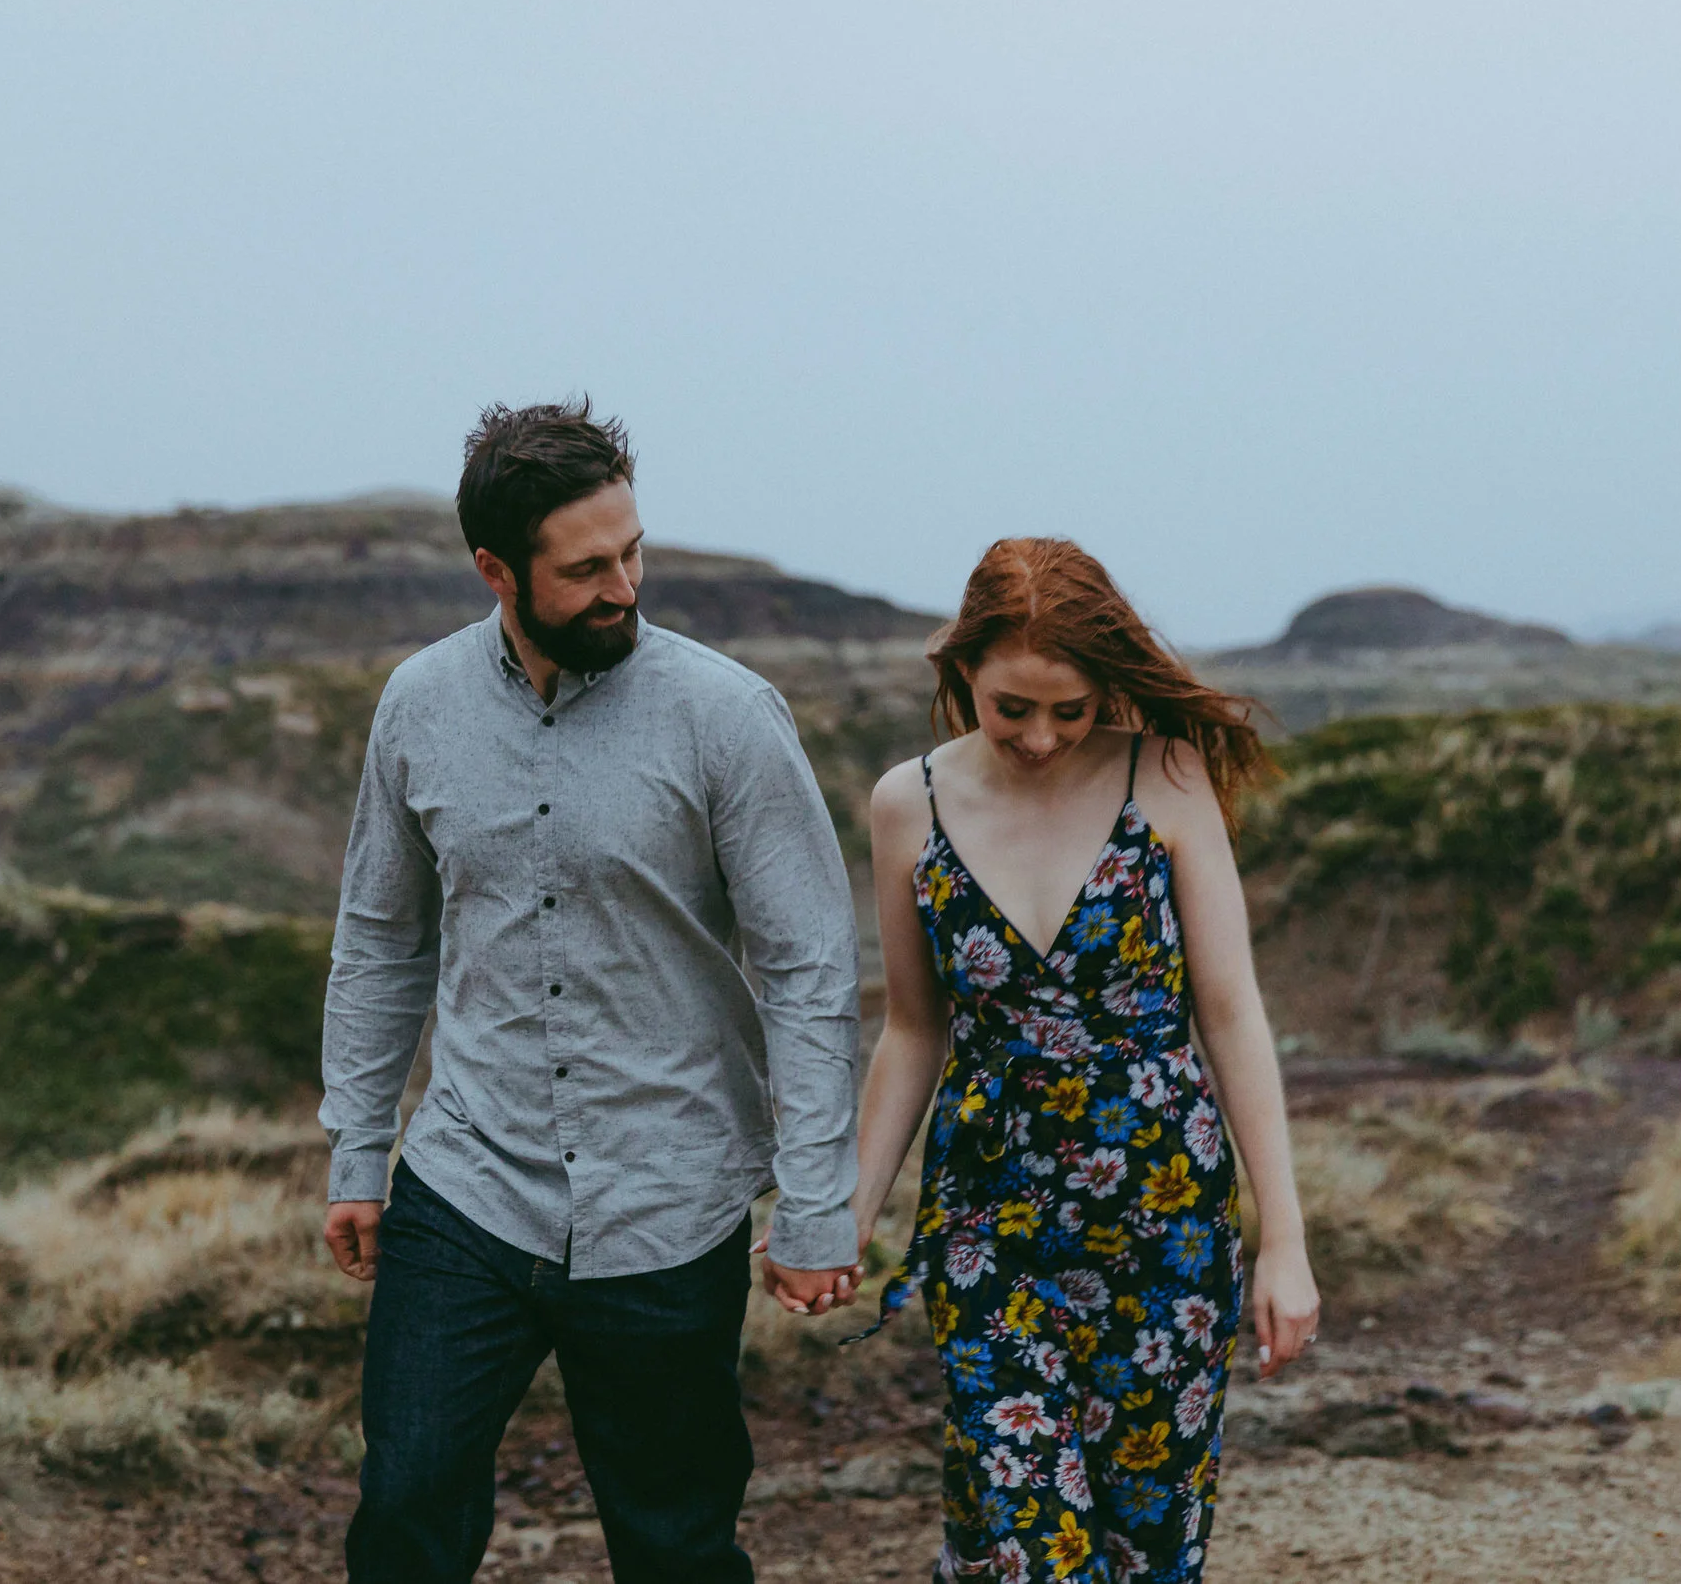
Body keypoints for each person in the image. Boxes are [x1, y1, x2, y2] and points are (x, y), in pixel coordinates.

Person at [318, 399, 864, 1584]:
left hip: (666, 1197)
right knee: (404, 1507)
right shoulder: (416, 704)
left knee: (674, 1541)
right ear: (494, 570)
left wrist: (818, 1198)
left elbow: (809, 970)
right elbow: (378, 940)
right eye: (585, 568)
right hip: (466, 1183)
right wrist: (358, 1151)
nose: (623, 586)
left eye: (631, 552)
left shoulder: (728, 715)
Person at [847, 537, 1320, 1583]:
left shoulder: (1166, 774)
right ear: (961, 666)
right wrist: (847, 1212)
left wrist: (1281, 1238)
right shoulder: (904, 803)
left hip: (1164, 1224)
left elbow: (1230, 1009)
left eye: (1072, 708)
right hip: (984, 1220)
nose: (1042, 736)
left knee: (1146, 1552)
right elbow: (913, 1029)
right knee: (1039, 1556)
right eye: (1011, 706)